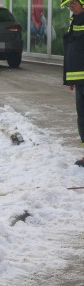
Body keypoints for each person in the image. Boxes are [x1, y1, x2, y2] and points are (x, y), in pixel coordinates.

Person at [63, 0, 84, 166]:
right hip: (80, 79)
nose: (72, 7)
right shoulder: (74, 21)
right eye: (69, 5)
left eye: (74, 3)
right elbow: (71, 51)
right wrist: (70, 78)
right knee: (82, 117)